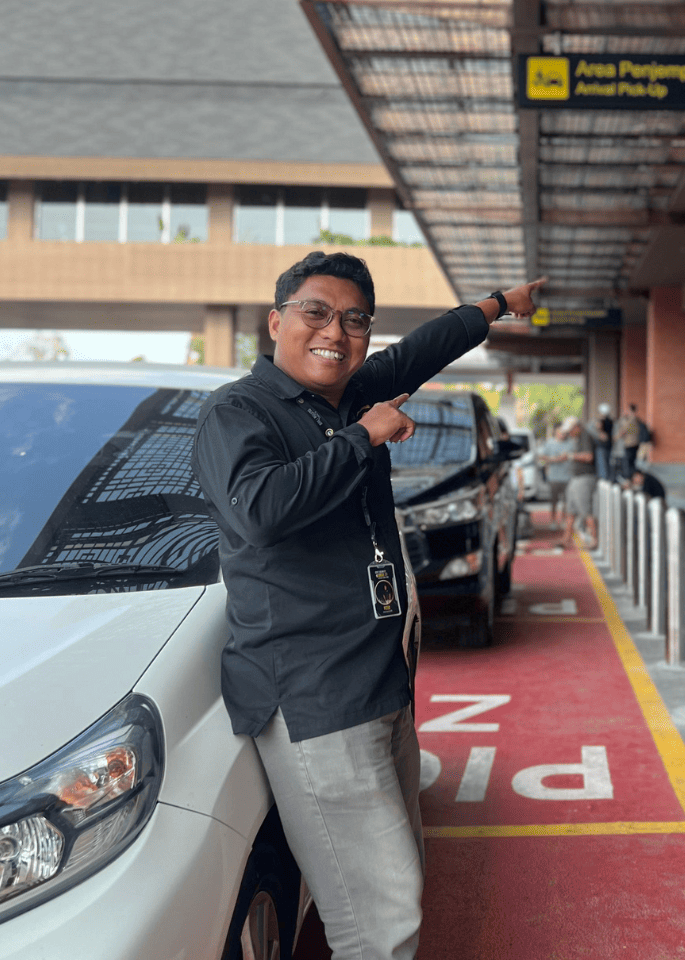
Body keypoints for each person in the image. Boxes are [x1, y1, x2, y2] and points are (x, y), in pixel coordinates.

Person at [192, 250, 545, 960]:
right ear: (276, 321)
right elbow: (259, 510)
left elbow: (424, 348)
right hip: (315, 695)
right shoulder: (239, 411)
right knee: (377, 920)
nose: (336, 331)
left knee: (391, 890)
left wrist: (499, 304)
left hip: (380, 678)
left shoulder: (348, 393)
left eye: (356, 320)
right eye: (316, 312)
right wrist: (364, 438)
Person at [559, 416, 597, 548]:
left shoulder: (585, 436)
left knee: (586, 510)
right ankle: (566, 539)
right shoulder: (577, 438)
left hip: (584, 477)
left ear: (577, 427)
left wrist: (570, 456)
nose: (569, 434)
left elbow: (588, 456)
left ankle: (594, 539)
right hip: (576, 478)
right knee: (571, 510)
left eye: (570, 430)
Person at [538, 423, 573, 529]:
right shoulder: (549, 443)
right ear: (556, 433)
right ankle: (553, 521)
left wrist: (565, 457)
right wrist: (554, 459)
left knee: (566, 502)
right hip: (554, 477)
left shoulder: (570, 443)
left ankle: (563, 521)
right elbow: (542, 456)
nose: (562, 434)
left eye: (564, 433)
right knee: (554, 501)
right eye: (560, 432)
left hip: (567, 477)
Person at [614, 403, 651, 479]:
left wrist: (616, 437)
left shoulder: (632, 419)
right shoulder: (637, 419)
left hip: (630, 444)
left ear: (629, 410)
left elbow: (623, 430)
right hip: (634, 443)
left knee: (629, 463)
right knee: (632, 462)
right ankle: (633, 477)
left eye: (626, 410)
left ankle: (631, 478)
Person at [592, 401, 615, 480]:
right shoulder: (611, 421)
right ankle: (607, 480)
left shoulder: (601, 421)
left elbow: (602, 435)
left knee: (602, 466)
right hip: (609, 446)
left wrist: (598, 431)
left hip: (602, 446)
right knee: (607, 465)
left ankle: (604, 481)